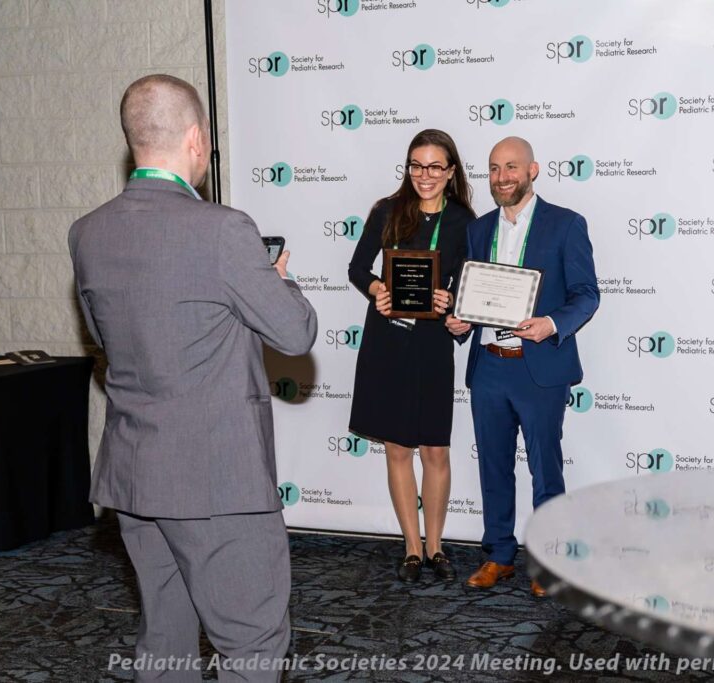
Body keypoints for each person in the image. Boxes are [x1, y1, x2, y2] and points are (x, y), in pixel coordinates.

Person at [69, 74, 317, 681]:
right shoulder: (224, 230)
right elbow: (296, 335)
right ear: (197, 140)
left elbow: (106, 341)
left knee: (165, 644)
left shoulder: (88, 232)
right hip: (216, 482)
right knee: (251, 646)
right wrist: (276, 276)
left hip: (134, 475)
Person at [445, 136, 599, 597]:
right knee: (493, 466)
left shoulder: (566, 224)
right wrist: (459, 320)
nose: (502, 177)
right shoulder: (479, 229)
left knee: (545, 468)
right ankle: (499, 555)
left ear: (533, 170)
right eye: (493, 169)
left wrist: (552, 323)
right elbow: (473, 294)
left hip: (539, 368)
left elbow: (587, 294)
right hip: (489, 366)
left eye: (511, 167)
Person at [348, 129, 476, 583]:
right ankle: (412, 548)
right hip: (388, 340)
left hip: (432, 343)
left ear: (451, 171)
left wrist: (452, 302)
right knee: (398, 448)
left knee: (435, 449)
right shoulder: (387, 211)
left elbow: (470, 283)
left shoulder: (464, 221)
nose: (425, 176)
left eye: (435, 167)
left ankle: (438, 547)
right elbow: (357, 268)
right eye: (416, 166)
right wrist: (377, 288)